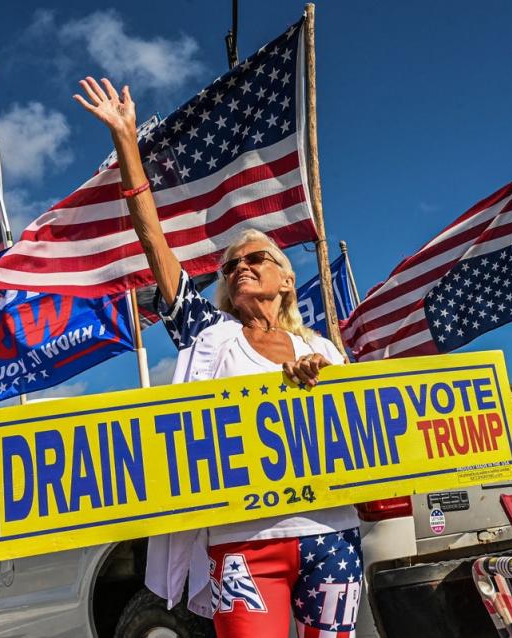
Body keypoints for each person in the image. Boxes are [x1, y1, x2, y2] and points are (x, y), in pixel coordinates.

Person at [73, 77, 363, 637]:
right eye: (230, 268)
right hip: (243, 545)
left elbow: (357, 428)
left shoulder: (323, 348)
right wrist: (128, 144)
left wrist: (320, 380)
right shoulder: (212, 336)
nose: (239, 269)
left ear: (284, 278)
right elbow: (154, 242)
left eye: (254, 258)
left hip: (330, 535)